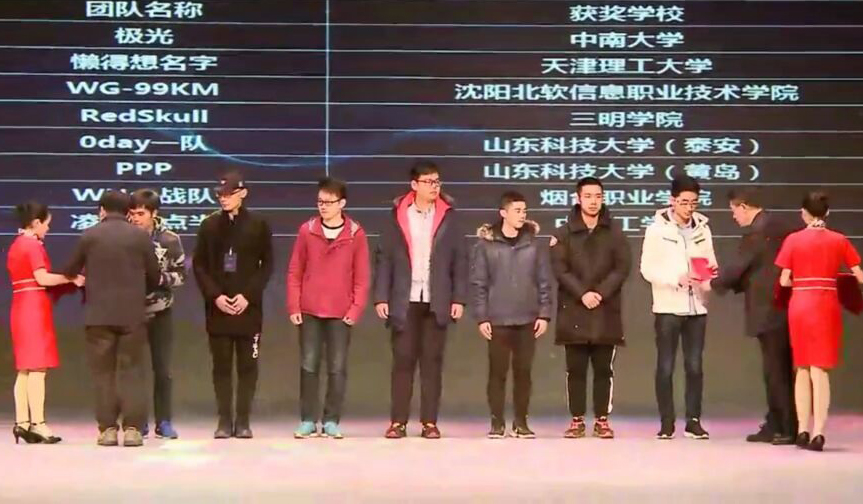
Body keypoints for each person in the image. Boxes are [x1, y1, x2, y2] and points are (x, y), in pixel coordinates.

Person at [374, 160, 468, 439]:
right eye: (428, 182)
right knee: (403, 361)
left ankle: (429, 422)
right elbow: (384, 258)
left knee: (432, 363)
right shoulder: (397, 216)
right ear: (414, 185)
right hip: (404, 298)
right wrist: (381, 296)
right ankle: (398, 422)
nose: (434, 187)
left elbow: (460, 259)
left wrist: (458, 298)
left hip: (437, 298)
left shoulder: (449, 216)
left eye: (437, 182)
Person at [64, 190, 162, 447]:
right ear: (128, 211)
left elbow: (70, 270)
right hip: (132, 315)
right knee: (133, 372)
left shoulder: (89, 235)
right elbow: (155, 276)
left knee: (103, 374)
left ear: (102, 210)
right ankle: (133, 430)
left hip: (98, 316)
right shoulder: (140, 237)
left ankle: (107, 430)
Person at [705, 188, 797, 445]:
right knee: (781, 370)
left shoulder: (758, 233)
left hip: (770, 310)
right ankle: (777, 423)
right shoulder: (778, 226)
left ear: (743, 207)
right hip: (784, 307)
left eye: (734, 211)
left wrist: (710, 283)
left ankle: (786, 427)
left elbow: (738, 269)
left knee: (776, 371)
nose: (733, 216)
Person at [775, 191, 863, 452]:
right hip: (825, 306)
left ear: (804, 213)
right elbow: (859, 275)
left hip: (800, 305)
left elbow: (784, 280)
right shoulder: (839, 240)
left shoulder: (793, 240)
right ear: (827, 213)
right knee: (820, 369)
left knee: (802, 368)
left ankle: (802, 430)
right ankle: (819, 433)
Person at [287, 178, 370, 439]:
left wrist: (355, 309)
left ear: (342, 203)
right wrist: (294, 304)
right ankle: (307, 420)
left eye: (329, 202)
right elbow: (295, 271)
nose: (323, 206)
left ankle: (331, 420)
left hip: (341, 313)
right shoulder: (307, 230)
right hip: (309, 309)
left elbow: (362, 277)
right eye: (320, 201)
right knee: (308, 366)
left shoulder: (355, 233)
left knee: (337, 368)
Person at [193, 171, 273, 439]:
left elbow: (267, 265)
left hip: (248, 309)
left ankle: (244, 421)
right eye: (220, 195)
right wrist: (215, 296)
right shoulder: (209, 225)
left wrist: (247, 295)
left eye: (229, 194)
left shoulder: (259, 224)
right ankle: (224, 421)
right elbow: (200, 265)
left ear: (243, 193)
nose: (224, 199)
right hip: (218, 309)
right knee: (222, 367)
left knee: (248, 367)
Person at [551, 178, 631, 439]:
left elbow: (622, 267)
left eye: (598, 196)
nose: (593, 201)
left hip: (605, 310)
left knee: (603, 370)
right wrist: (582, 293)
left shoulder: (615, 232)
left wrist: (600, 293)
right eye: (588, 196)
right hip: (574, 309)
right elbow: (560, 269)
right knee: (575, 370)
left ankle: (602, 420)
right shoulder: (564, 233)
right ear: (578, 199)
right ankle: (576, 420)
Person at [640, 175, 717, 440]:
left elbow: (710, 262)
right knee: (666, 366)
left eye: (694, 202)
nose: (689, 208)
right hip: (668, 307)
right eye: (684, 202)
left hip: (697, 307)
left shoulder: (703, 229)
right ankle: (666, 422)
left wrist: (708, 274)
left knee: (695, 366)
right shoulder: (656, 230)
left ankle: (693, 421)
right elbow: (647, 269)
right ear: (672, 201)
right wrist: (676, 279)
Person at [471, 191, 552, 439]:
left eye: (524, 211)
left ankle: (521, 422)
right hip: (497, 319)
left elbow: (544, 281)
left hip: (527, 318)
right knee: (497, 373)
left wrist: (544, 314)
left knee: (523, 374)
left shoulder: (533, 245)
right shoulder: (485, 245)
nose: (522, 215)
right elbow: (479, 283)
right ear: (503, 213)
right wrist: (482, 317)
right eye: (517, 211)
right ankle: (497, 422)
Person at [6, 201, 83, 444]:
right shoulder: (32, 245)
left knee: (25, 368)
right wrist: (71, 278)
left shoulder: (16, 244)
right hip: (34, 309)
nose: (48, 229)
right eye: (47, 224)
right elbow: (42, 278)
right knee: (38, 368)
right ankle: (38, 424)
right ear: (36, 222)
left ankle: (22, 423)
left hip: (21, 306)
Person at [128, 189, 186, 440]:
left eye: (141, 213)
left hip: (161, 312)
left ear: (154, 213)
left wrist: (159, 278)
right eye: (132, 213)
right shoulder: (125, 237)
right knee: (134, 370)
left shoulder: (170, 239)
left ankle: (164, 421)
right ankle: (137, 421)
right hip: (131, 313)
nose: (135, 218)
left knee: (162, 369)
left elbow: (181, 275)